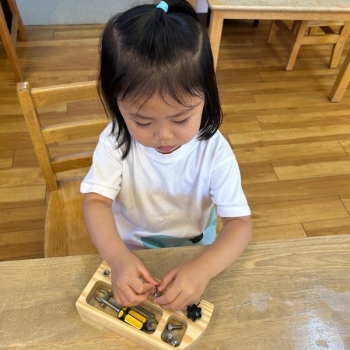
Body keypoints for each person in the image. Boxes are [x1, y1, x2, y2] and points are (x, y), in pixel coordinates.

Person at [81, 0, 252, 311]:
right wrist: (118, 258)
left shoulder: (214, 149)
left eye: (181, 119)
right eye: (142, 121)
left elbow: (239, 223)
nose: (163, 135)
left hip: (198, 250)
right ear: (115, 103)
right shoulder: (115, 142)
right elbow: (95, 201)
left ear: (207, 97)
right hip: (133, 251)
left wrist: (203, 269)